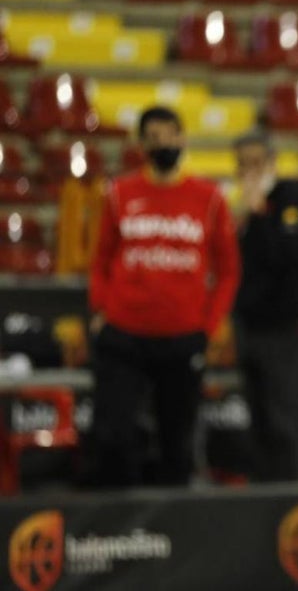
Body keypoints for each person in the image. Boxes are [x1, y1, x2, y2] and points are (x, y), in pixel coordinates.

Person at [86, 105, 240, 487]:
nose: (163, 144)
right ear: (141, 145)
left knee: (177, 442)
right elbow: (100, 259)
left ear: (183, 139)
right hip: (124, 333)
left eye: (170, 135)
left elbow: (229, 270)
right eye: (153, 138)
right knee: (112, 435)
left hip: (183, 337)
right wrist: (100, 308)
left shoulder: (209, 199)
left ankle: (172, 529)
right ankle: (116, 527)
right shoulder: (119, 193)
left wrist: (209, 322)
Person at [232, 130, 298, 481]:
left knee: (282, 417)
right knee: (259, 416)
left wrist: (260, 215)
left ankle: (291, 490)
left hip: (280, 326)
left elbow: (286, 257)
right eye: (243, 165)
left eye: (257, 163)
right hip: (248, 324)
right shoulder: (239, 209)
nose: (250, 171)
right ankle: (264, 490)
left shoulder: (290, 198)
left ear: (272, 162)